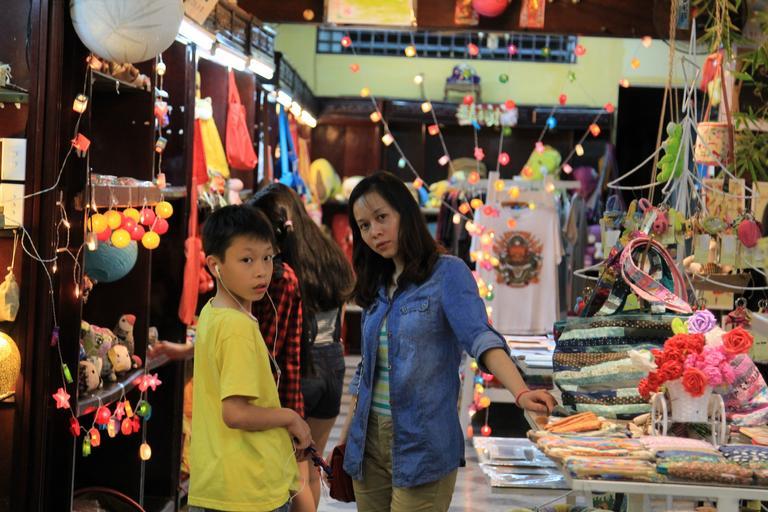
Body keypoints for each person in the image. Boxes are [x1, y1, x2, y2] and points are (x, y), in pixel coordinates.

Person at [340, 172, 556, 512]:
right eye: (364, 225)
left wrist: (520, 391)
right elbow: (366, 370)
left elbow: (480, 337)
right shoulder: (375, 283)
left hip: (422, 443)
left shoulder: (447, 273)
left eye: (382, 217)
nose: (374, 232)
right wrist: (345, 441)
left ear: (405, 214)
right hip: (367, 445)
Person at [187, 205, 312, 512]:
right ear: (214, 265)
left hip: (220, 481)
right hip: (247, 489)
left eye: (267, 258)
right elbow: (236, 413)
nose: (261, 271)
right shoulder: (237, 327)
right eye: (247, 260)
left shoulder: (211, 311)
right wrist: (291, 418)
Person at [249, 183, 355, 510]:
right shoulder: (328, 252)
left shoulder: (283, 270)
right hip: (333, 364)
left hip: (301, 369)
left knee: (295, 471)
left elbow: (277, 339)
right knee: (310, 465)